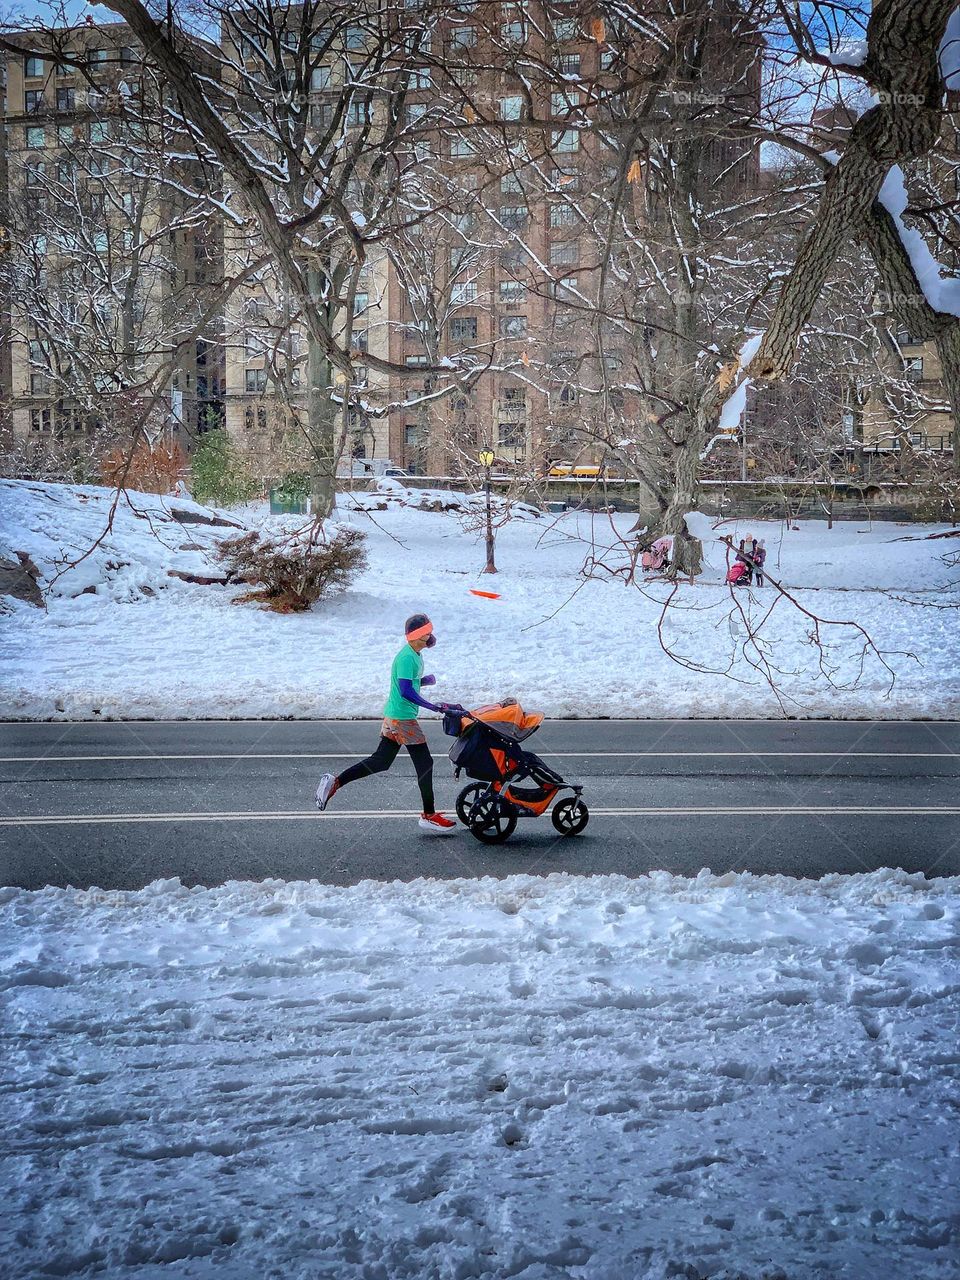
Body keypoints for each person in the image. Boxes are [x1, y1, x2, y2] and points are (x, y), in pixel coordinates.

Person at [314, 614, 458, 834]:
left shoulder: (415, 655)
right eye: (427, 632)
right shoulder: (407, 657)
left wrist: (424, 680)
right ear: (417, 636)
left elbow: (409, 682)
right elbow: (405, 691)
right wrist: (433, 707)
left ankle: (335, 782)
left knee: (381, 761)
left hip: (394, 716)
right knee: (426, 763)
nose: (431, 635)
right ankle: (429, 815)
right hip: (402, 718)